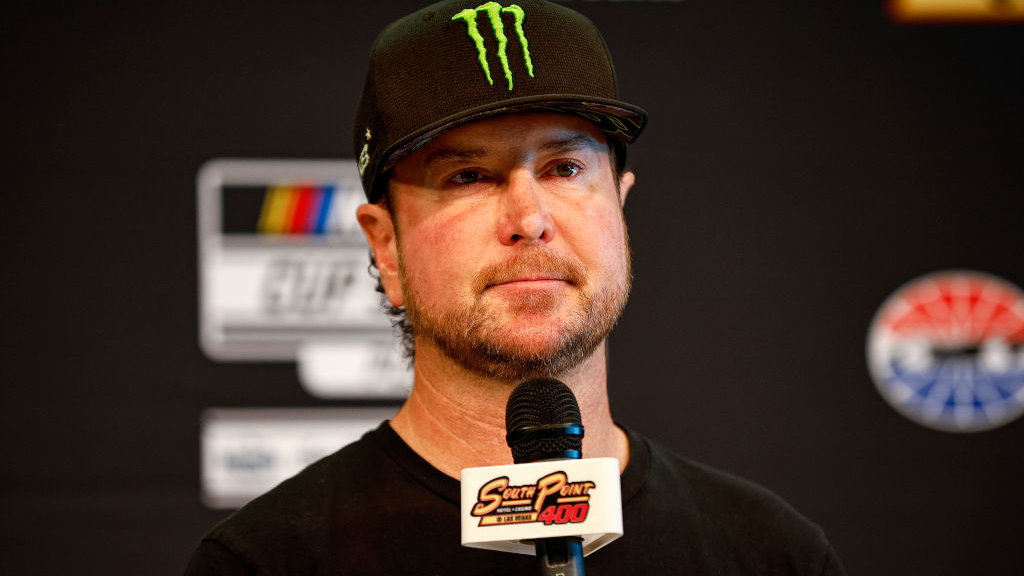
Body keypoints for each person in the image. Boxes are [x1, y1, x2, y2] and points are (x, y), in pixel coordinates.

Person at [185, 1, 846, 574]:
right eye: (468, 176)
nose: (530, 219)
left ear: (620, 209)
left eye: (565, 167)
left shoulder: (772, 554)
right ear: (386, 248)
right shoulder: (266, 563)